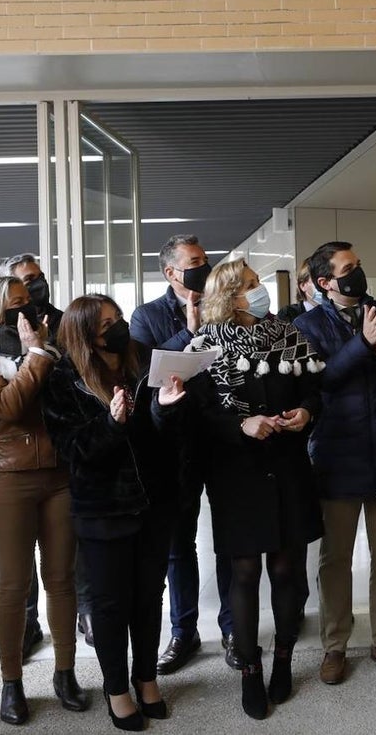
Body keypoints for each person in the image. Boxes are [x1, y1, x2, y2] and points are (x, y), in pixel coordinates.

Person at [41, 294, 184, 731]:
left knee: (148, 596)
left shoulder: (141, 361)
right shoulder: (64, 378)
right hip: (103, 507)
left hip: (155, 499)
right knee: (109, 604)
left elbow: (162, 437)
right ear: (85, 333)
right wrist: (111, 423)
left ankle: (146, 679)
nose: (118, 326)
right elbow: (75, 451)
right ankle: (116, 688)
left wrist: (165, 407)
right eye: (107, 323)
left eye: (118, 317)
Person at [191, 260, 324, 720]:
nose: (259, 290)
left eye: (256, 283)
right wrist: (241, 424)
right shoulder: (203, 346)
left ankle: (283, 658)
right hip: (236, 472)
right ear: (228, 296)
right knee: (244, 573)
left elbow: (314, 391)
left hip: (287, 465)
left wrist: (305, 413)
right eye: (249, 286)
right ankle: (249, 668)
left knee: (288, 569)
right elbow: (200, 414)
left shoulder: (290, 335)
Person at [293, 242, 376, 684]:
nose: (358, 272)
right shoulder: (306, 324)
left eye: (359, 263)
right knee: (336, 558)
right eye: (348, 268)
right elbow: (322, 378)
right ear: (325, 282)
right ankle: (335, 645)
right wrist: (363, 345)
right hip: (336, 455)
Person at [0, 276, 89, 725]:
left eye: (28, 303)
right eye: (16, 305)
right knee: (13, 586)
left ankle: (65, 673)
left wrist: (48, 352)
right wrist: (37, 355)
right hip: (5, 480)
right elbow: (9, 406)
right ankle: (11, 681)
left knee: (62, 579)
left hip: (59, 476)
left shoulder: (52, 353)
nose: (27, 311)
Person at [128, 234, 235, 673]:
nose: (202, 267)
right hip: (176, 445)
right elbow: (144, 373)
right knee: (179, 545)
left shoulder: (227, 306)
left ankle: (233, 629)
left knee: (232, 539)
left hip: (225, 436)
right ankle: (183, 631)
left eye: (205, 260)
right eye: (194, 262)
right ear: (171, 272)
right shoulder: (147, 316)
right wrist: (187, 334)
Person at [0, 253, 91, 654]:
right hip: (18, 454)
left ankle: (85, 612)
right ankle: (30, 621)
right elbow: (7, 400)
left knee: (69, 546)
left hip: (67, 447)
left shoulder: (63, 320)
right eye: (24, 282)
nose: (34, 287)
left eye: (37, 279)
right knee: (21, 555)